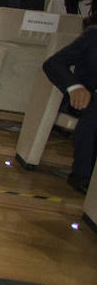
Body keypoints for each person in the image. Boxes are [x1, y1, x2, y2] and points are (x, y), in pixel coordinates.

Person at [42, 26, 97, 194]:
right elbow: (53, 63)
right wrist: (74, 87)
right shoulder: (93, 36)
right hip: (88, 96)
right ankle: (82, 174)